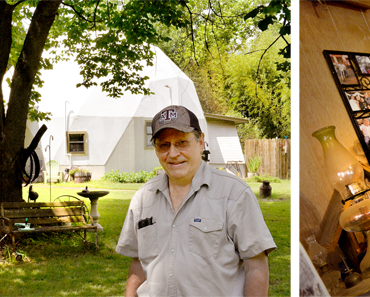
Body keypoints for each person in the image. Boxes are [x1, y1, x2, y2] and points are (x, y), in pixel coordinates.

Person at [116, 105, 277, 297]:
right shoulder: (143, 199)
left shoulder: (234, 194)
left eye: (182, 142)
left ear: (201, 142)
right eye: (164, 145)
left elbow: (256, 266)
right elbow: (138, 262)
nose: (173, 153)